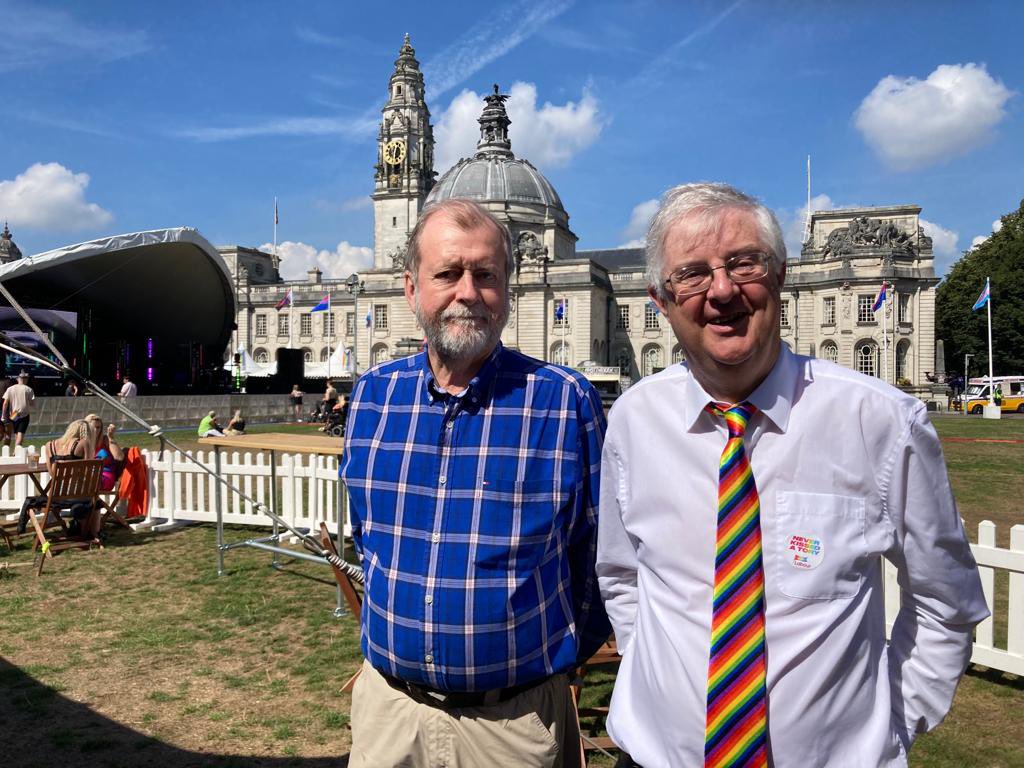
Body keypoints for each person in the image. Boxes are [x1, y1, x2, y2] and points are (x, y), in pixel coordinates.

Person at [596, 182, 988, 768]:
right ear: (661, 298)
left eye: (743, 263)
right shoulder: (633, 418)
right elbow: (623, 575)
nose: (723, 291)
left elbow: (945, 600)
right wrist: (654, 676)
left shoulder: (880, 422)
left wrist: (897, 723)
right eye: (693, 274)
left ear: (780, 275)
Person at [340, 198, 609, 767]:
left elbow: (597, 556)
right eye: (447, 273)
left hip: (512, 726)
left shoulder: (563, 400)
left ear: (507, 289)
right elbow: (370, 539)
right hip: (391, 715)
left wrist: (551, 664)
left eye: (485, 275)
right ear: (411, 288)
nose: (467, 291)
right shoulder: (371, 396)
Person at [15, 419, 99, 537]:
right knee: (94, 502)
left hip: (57, 497)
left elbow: (52, 473)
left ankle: (23, 528)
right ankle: (90, 531)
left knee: (33, 500)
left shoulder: (50, 445)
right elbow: (88, 470)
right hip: (79, 496)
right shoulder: (84, 443)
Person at [85, 413, 125, 492]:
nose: (96, 430)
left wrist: (111, 437)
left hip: (105, 477)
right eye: (93, 427)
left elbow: (119, 457)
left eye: (98, 427)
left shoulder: (105, 440)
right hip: (88, 477)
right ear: (86, 428)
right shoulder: (82, 443)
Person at [2, 371, 35, 447]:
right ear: (26, 379)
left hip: (13, 414)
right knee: (20, 434)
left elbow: (5, 403)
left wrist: (3, 415)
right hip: (24, 414)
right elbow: (32, 404)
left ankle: (6, 452)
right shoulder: (29, 389)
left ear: (17, 379)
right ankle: (16, 453)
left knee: (10, 434)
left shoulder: (10, 389)